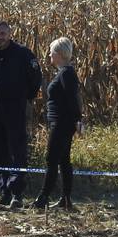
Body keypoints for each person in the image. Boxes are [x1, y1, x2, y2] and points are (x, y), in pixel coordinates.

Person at [0, 21, 42, 208]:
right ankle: (4, 193)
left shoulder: (23, 53)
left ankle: (17, 193)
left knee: (17, 152)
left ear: (9, 34)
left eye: (3, 33)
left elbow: (35, 79)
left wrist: (25, 97)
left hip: (15, 110)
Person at [33, 37, 83, 211]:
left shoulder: (66, 73)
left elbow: (73, 99)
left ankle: (43, 198)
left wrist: (78, 119)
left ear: (59, 54)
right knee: (63, 160)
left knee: (51, 158)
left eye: (51, 52)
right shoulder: (64, 72)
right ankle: (65, 199)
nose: (49, 55)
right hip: (61, 122)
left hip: (62, 122)